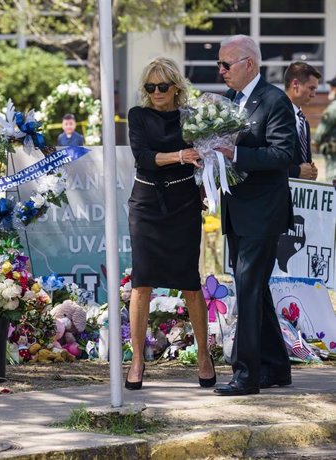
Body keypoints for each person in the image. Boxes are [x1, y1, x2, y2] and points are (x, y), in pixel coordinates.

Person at [213, 35, 295, 396]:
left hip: (263, 212)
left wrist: (235, 155)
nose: (221, 71)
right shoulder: (230, 101)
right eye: (219, 64)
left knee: (246, 289)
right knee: (255, 290)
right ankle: (276, 367)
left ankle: (245, 374)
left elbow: (283, 155)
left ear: (249, 63)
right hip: (238, 210)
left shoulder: (275, 100)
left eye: (225, 65)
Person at [126, 57, 215, 391]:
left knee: (190, 282)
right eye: (150, 87)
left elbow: (206, 156)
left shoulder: (192, 119)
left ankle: (204, 356)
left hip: (184, 204)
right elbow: (143, 157)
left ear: (176, 87)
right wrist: (181, 155)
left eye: (163, 86)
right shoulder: (138, 115)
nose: (156, 92)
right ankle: (137, 359)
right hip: (146, 204)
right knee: (141, 282)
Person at [283, 62, 320, 180]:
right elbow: (268, 159)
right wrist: (297, 171)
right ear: (295, 84)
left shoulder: (303, 121)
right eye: (311, 88)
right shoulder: (276, 114)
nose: (314, 95)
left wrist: (310, 171)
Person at [314, 76, 336, 180]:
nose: (330, 90)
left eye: (332, 87)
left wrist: (316, 142)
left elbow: (320, 132)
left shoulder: (333, 108)